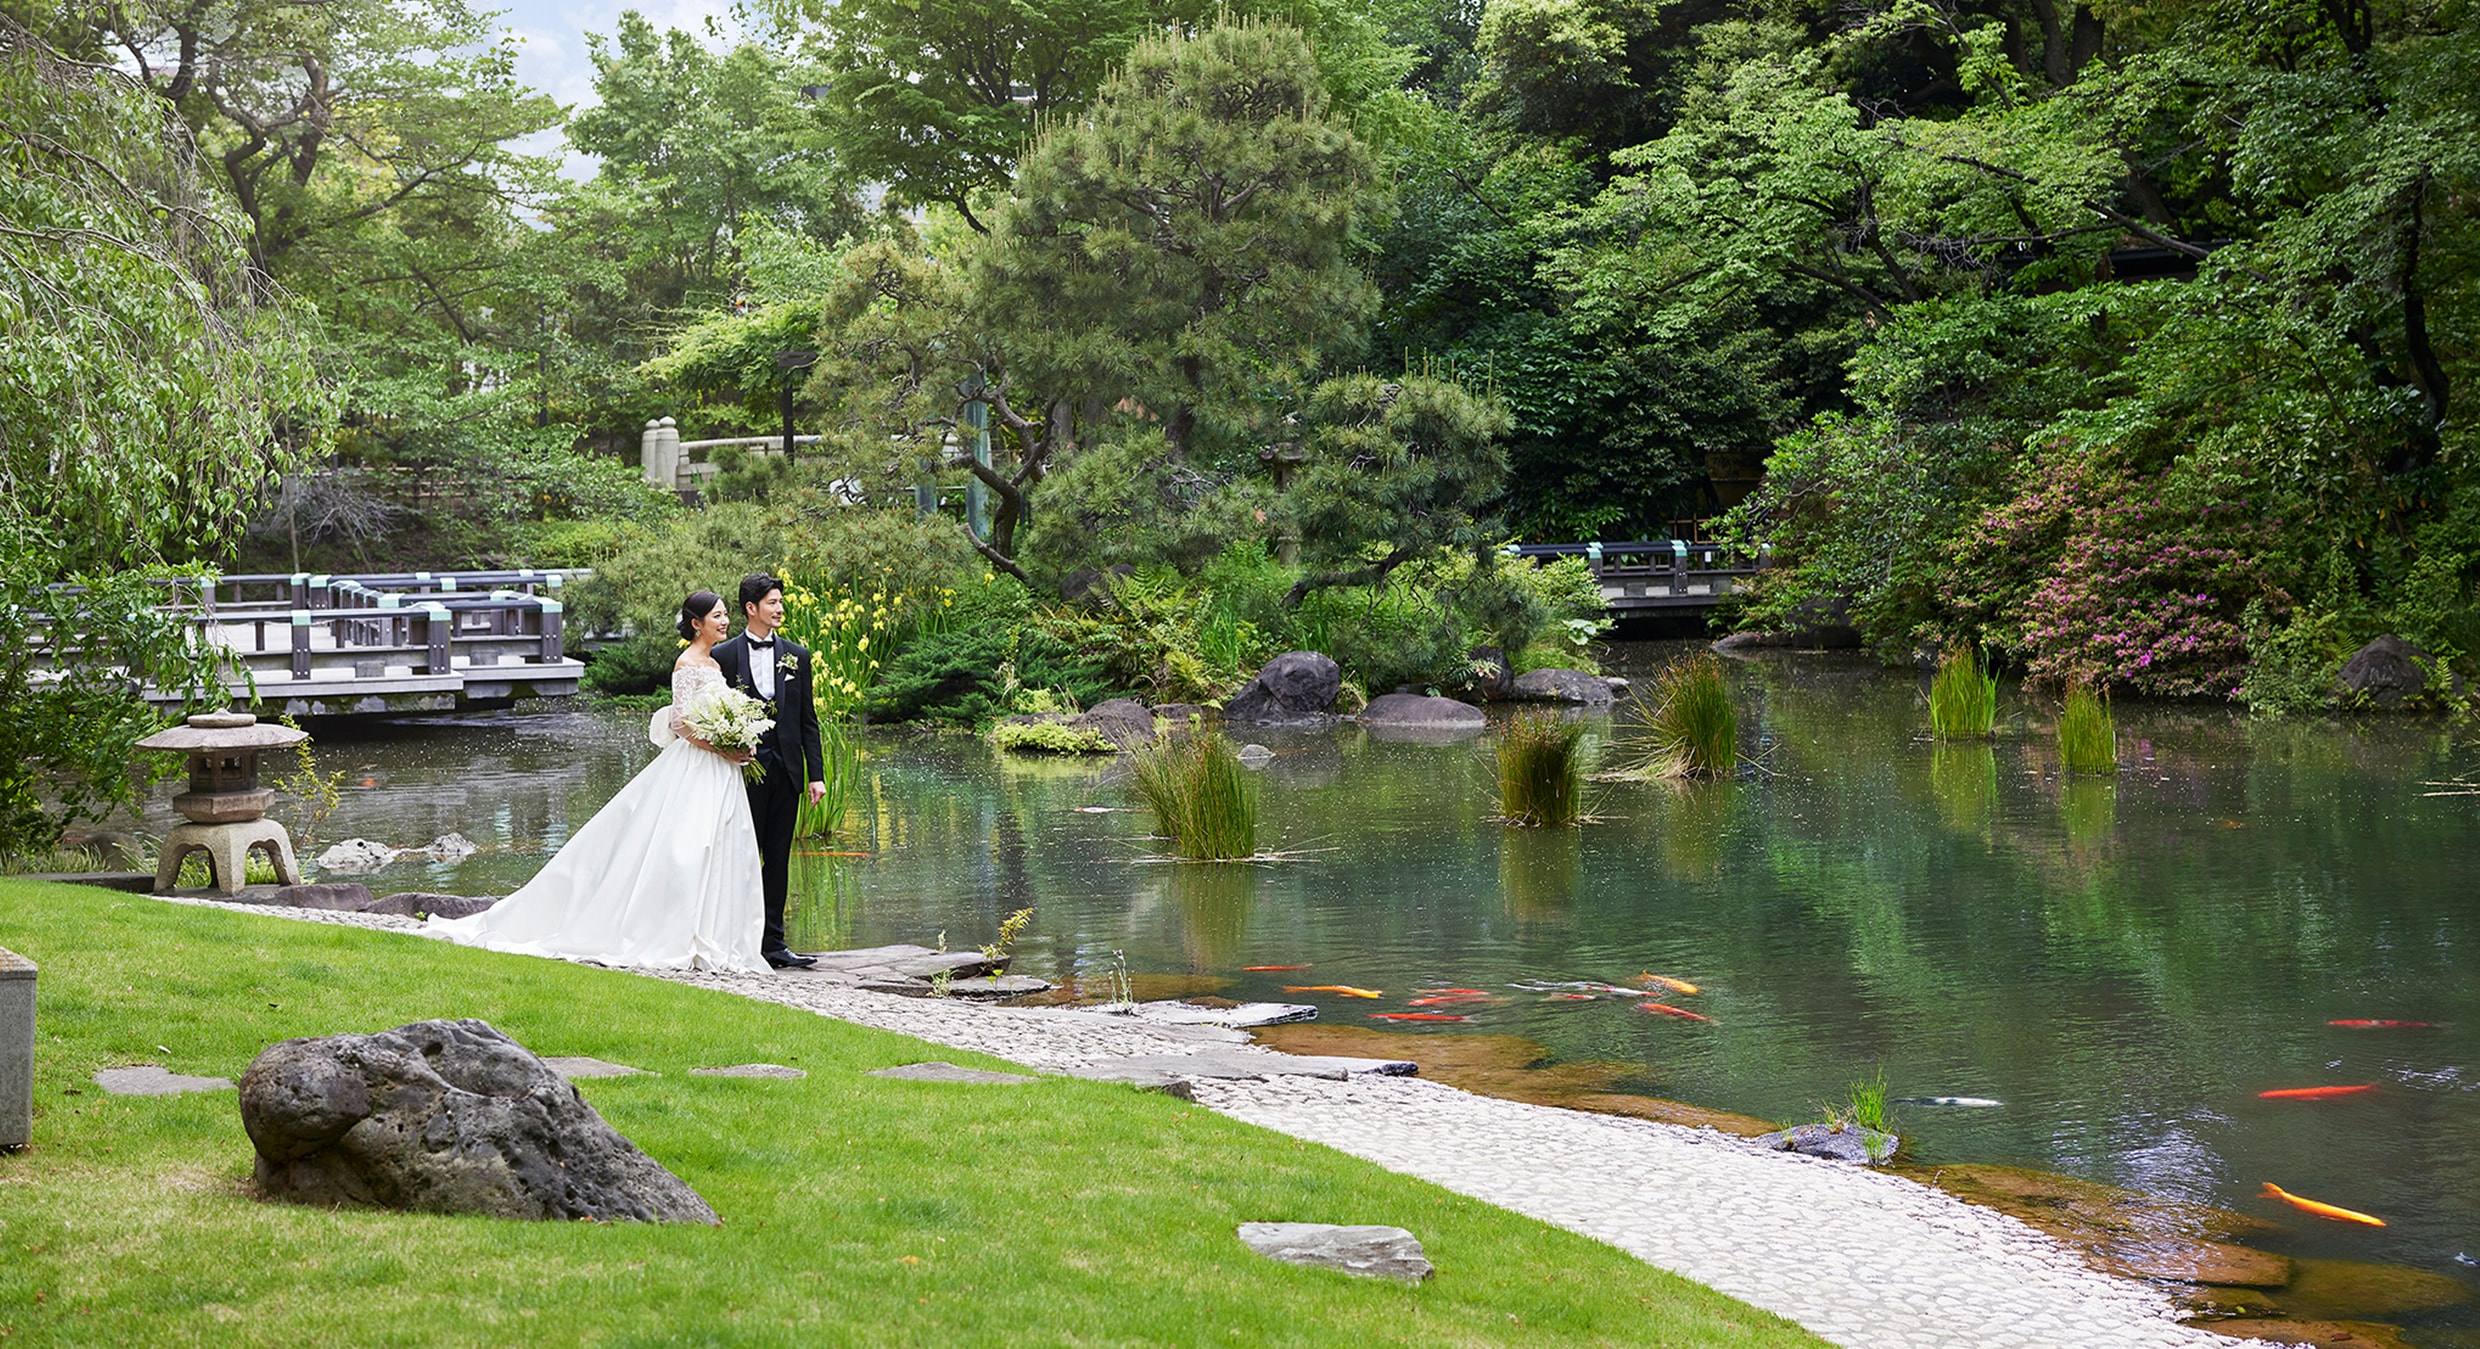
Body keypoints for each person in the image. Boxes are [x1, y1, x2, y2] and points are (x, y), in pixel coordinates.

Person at [427, 591, 767, 972]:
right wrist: (723, 748)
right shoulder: (687, 663)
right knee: (685, 848)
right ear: (696, 623)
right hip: (698, 766)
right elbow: (680, 723)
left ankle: (716, 932)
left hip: (720, 771)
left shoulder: (713, 664)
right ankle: (673, 930)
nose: (724, 621)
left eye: (725, 615)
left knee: (719, 845)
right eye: (717, 616)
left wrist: (739, 739)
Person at [714, 573, 827, 969]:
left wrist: (816, 775)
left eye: (781, 602)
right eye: (773, 603)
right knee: (741, 856)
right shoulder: (723, 656)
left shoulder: (798, 655)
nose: (780, 609)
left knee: (778, 858)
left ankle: (774, 944)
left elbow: (808, 720)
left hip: (788, 773)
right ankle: (734, 938)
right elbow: (714, 713)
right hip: (743, 774)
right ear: (751, 608)